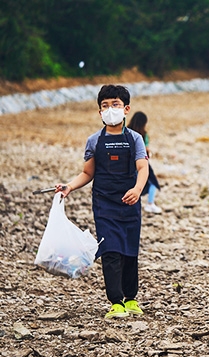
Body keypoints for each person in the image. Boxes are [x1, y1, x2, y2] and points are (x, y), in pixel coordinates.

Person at [56, 84, 149, 319]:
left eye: (115, 105)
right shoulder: (94, 141)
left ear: (126, 108)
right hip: (104, 204)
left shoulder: (136, 139)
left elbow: (143, 167)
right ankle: (116, 302)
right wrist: (68, 187)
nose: (110, 109)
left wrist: (137, 190)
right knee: (110, 250)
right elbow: (87, 173)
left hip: (130, 203)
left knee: (129, 251)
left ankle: (131, 299)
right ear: (99, 112)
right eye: (105, 106)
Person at [127, 111, 162, 213]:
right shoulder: (143, 135)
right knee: (152, 183)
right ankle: (150, 204)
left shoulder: (126, 131)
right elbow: (146, 151)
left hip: (127, 164)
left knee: (131, 184)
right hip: (141, 163)